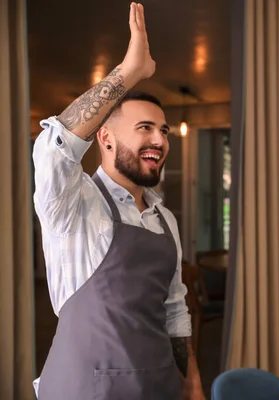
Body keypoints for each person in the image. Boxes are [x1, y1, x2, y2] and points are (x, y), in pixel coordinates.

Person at [32, 3, 204, 399]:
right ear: (105, 139)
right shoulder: (72, 206)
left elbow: (175, 310)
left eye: (164, 131)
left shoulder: (164, 219)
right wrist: (128, 73)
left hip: (158, 387)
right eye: (145, 128)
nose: (160, 140)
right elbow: (53, 149)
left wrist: (192, 382)